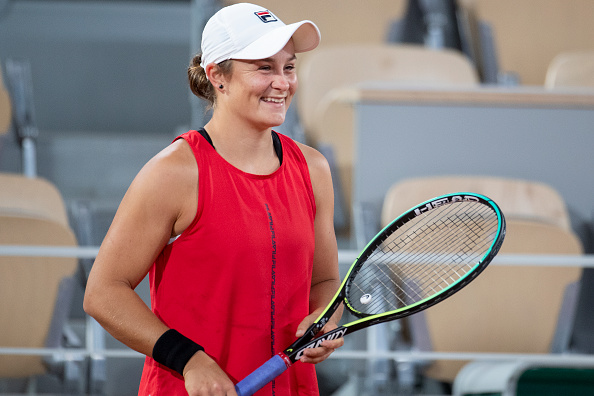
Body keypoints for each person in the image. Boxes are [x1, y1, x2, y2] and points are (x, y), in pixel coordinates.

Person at [83, 3, 343, 395]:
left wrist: (326, 318)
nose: (283, 82)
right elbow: (103, 293)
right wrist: (189, 360)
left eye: (288, 67)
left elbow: (324, 280)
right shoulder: (173, 172)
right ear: (217, 76)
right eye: (264, 67)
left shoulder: (314, 169)